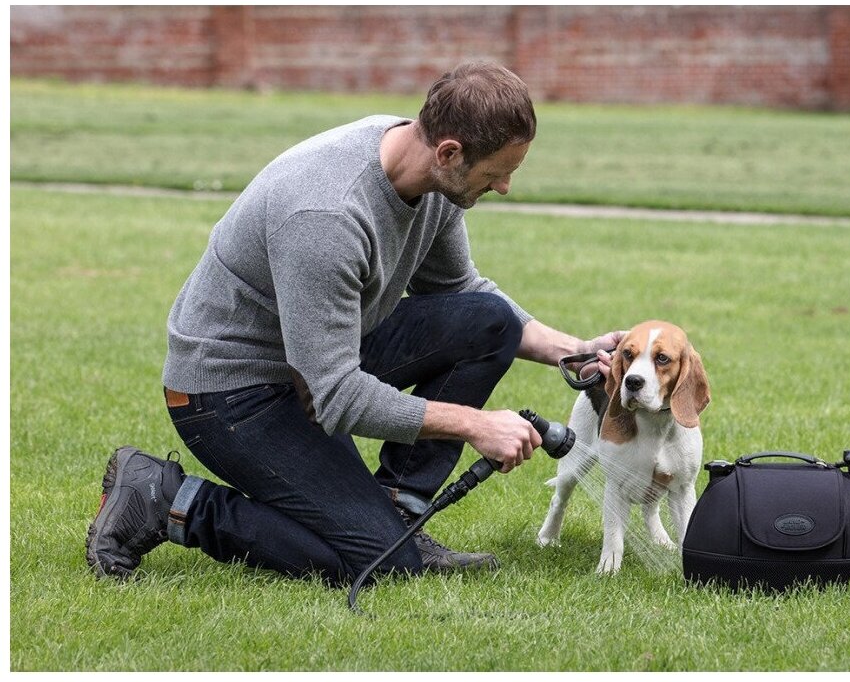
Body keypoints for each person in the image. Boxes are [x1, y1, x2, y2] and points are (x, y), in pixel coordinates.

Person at [86, 60, 621, 586]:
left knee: (490, 322)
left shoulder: (426, 172)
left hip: (316, 360)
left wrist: (572, 350)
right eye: (497, 172)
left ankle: (399, 515)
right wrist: (477, 425)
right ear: (450, 152)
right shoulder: (327, 216)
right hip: (231, 391)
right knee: (379, 561)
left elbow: (460, 293)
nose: (504, 185)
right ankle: (162, 497)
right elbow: (336, 396)